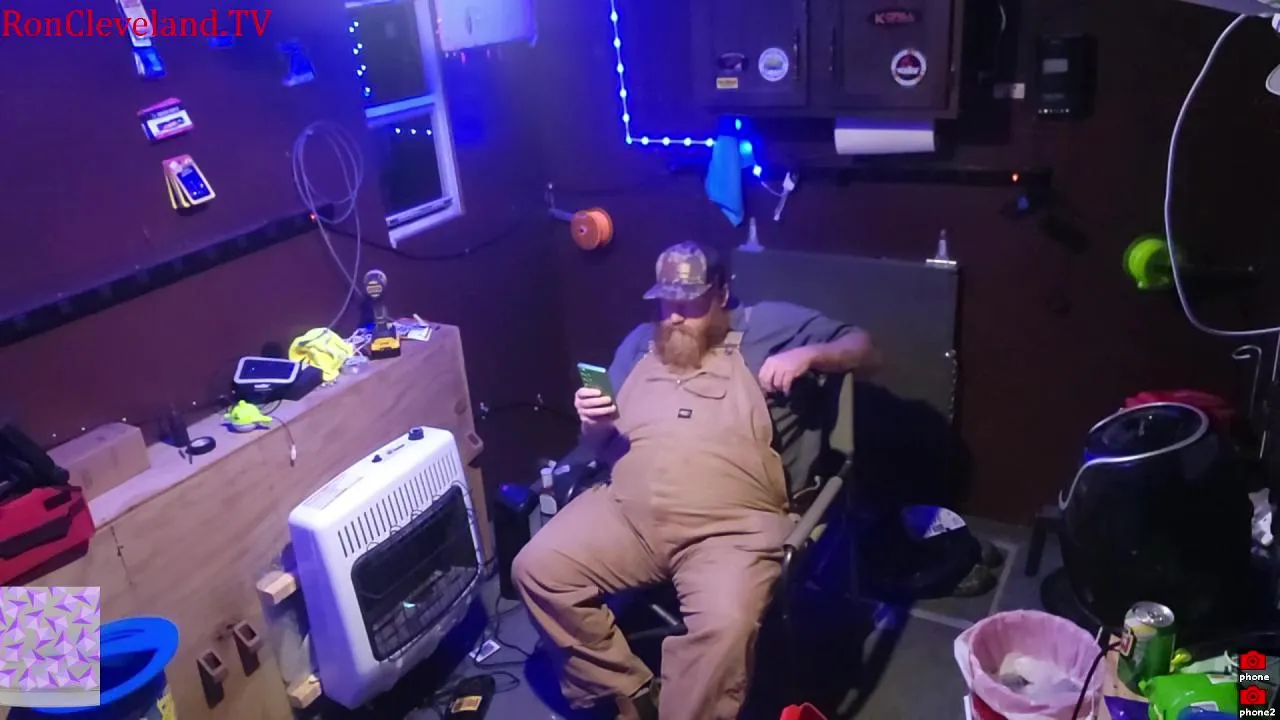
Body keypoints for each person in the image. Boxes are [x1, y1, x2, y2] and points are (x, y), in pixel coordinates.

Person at [513, 241, 879, 720]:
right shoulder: (639, 343)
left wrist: (810, 355)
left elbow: (864, 347)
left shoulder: (767, 326)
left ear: (722, 293)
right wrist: (594, 423)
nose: (675, 317)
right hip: (626, 514)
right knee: (537, 569)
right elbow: (601, 443)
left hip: (730, 530)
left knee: (726, 625)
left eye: (689, 304)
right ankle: (631, 694)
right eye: (666, 303)